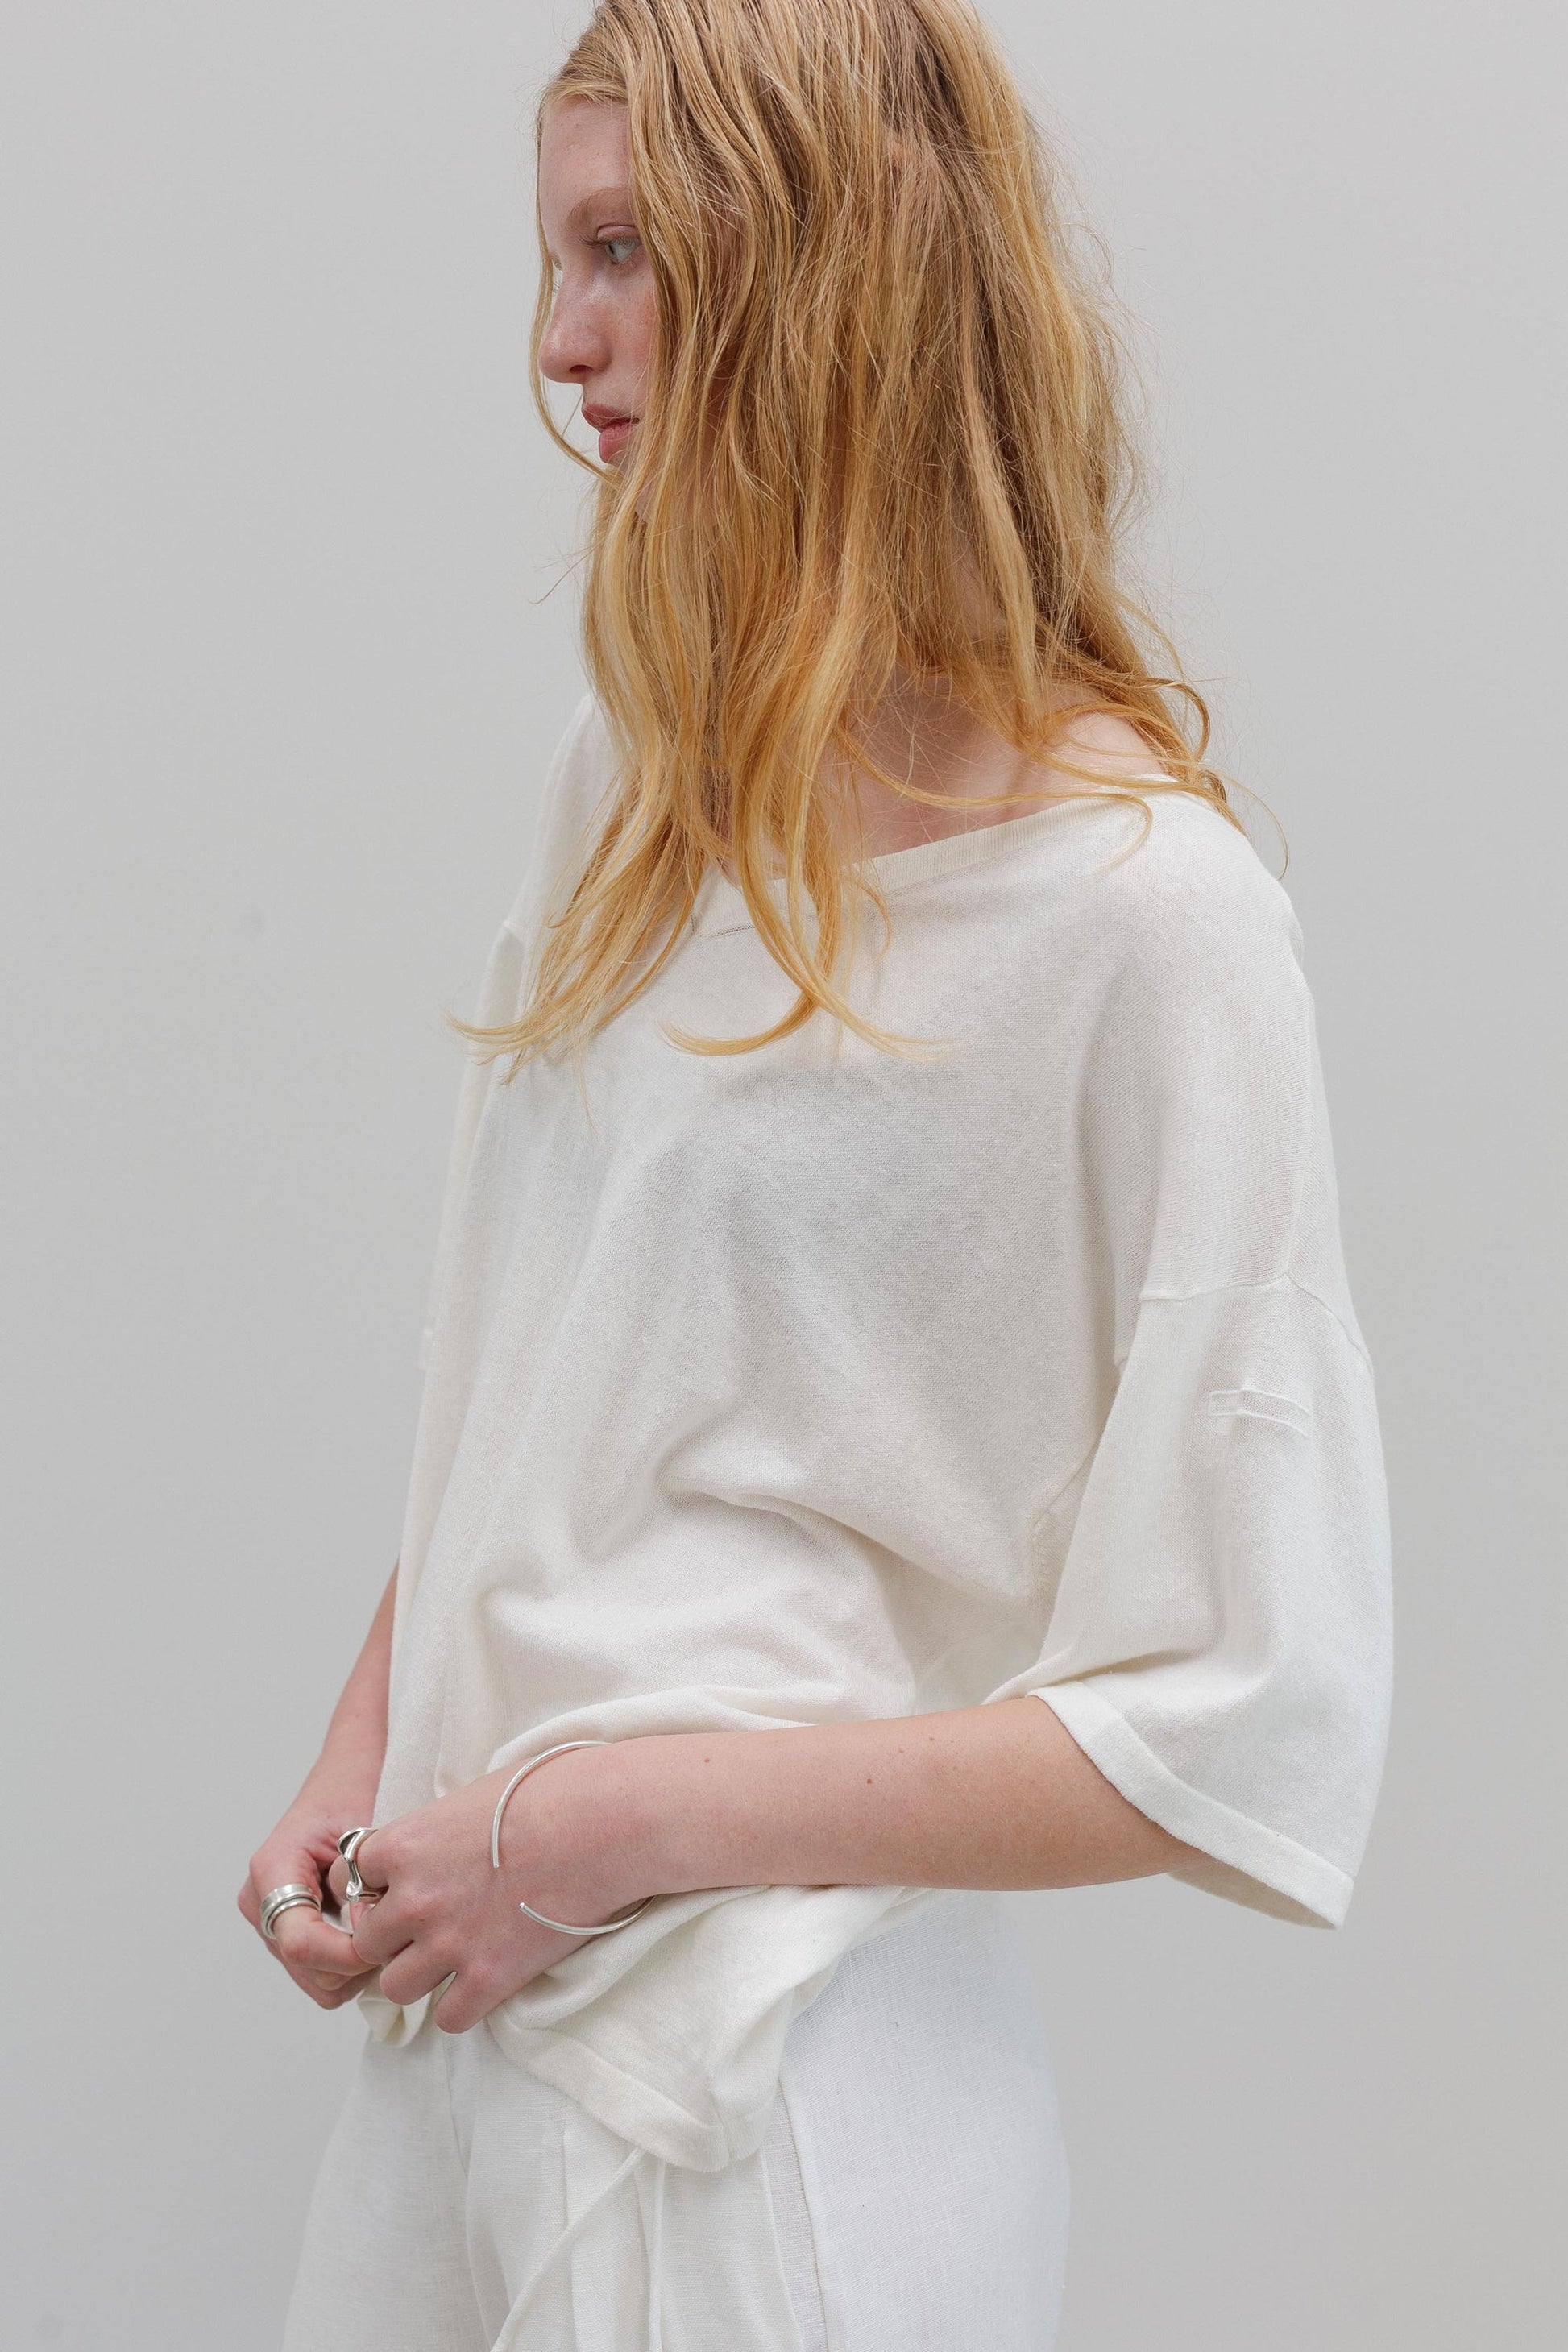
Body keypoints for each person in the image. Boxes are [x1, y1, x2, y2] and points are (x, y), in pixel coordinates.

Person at [240, 4, 1393, 2346]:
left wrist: (594, 1828)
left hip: (772, 2092)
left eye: (623, 253)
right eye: (556, 262)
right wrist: (367, 1752)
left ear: (832, 264)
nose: (561, 345)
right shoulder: (646, 785)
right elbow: (556, 1380)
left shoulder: (1147, 922)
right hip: (464, 2018)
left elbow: (1238, 1712)